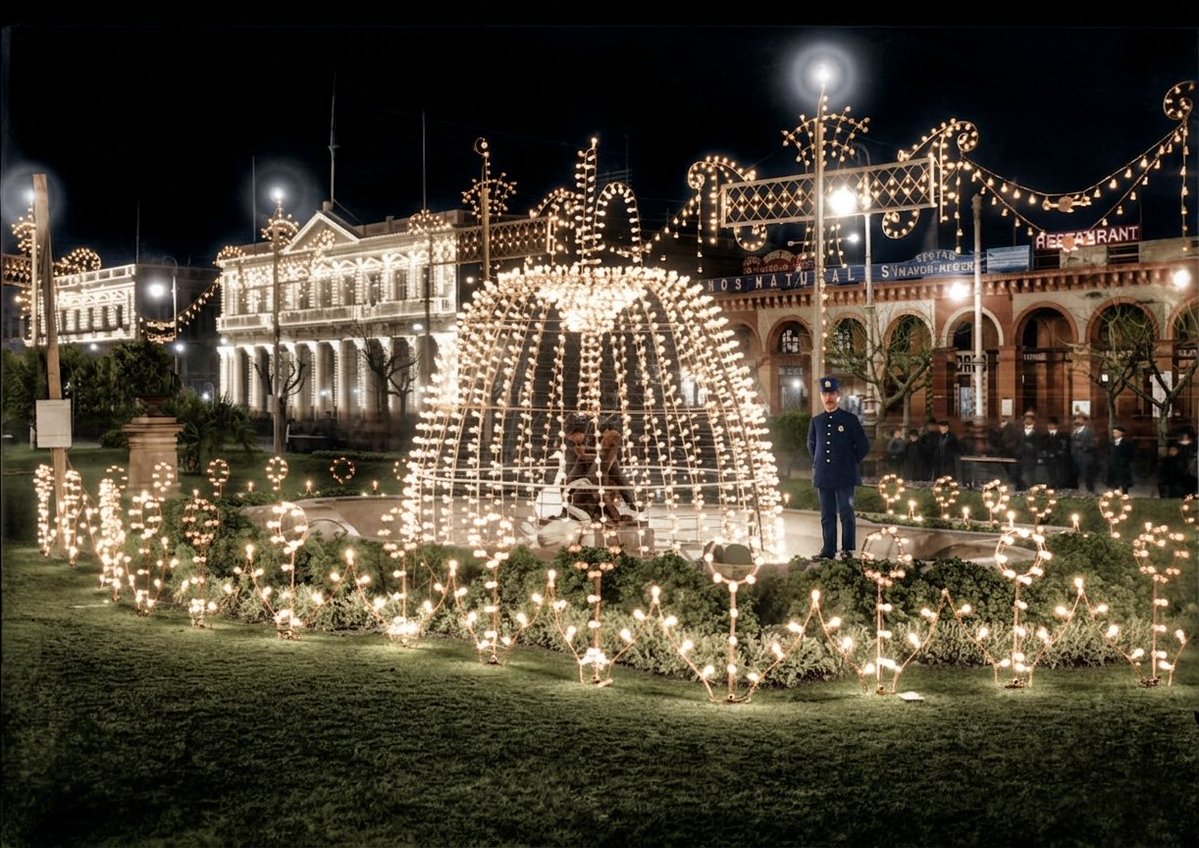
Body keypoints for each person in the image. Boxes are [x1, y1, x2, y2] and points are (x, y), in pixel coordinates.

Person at [807, 376, 871, 560]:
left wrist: (849, 462)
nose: (828, 398)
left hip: (845, 476)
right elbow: (812, 445)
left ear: (838, 395)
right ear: (821, 396)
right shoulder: (816, 421)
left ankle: (847, 549)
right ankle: (828, 550)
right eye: (825, 394)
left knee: (846, 512)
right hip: (824, 475)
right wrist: (821, 462)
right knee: (827, 514)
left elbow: (863, 446)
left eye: (832, 394)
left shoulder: (849, 420)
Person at [598, 419, 637, 522]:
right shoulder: (605, 439)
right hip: (605, 465)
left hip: (608, 465)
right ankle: (630, 503)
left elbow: (611, 456)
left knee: (620, 480)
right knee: (619, 481)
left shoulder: (612, 438)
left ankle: (631, 502)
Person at [563, 420, 602, 520]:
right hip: (577, 473)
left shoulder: (584, 442)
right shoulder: (574, 445)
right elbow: (582, 457)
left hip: (583, 473)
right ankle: (568, 512)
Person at [1070, 412, 1098, 492]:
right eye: (1076, 418)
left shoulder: (1089, 431)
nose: (1077, 420)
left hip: (1085, 458)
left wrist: (1082, 445)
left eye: (1079, 418)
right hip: (1075, 457)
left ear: (1084, 421)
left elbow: (1093, 444)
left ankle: (1090, 493)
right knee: (1076, 477)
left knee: (1087, 478)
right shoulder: (1074, 431)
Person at [1015, 410, 1043, 491]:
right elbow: (1016, 444)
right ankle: (1019, 490)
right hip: (1021, 458)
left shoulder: (1037, 433)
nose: (1027, 420)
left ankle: (1029, 490)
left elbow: (1039, 446)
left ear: (1033, 421)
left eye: (1030, 419)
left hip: (1031, 458)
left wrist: (1033, 449)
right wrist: (1017, 452)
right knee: (1019, 475)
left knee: (1029, 476)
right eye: (1026, 419)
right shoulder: (1019, 432)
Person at [1105, 423, 1135, 494]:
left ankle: (1124, 496)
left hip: (1123, 468)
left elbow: (1130, 455)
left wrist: (1124, 462)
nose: (1114, 433)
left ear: (1121, 433)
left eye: (1116, 432)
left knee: (1123, 484)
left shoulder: (1126, 443)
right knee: (1114, 484)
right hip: (1113, 467)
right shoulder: (1112, 443)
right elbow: (1109, 453)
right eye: (1114, 432)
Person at [1042, 416, 1070, 489]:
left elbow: (1065, 447)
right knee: (1050, 475)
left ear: (1056, 425)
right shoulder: (1044, 436)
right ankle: (1051, 487)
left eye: (1052, 424)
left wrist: (1056, 454)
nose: (1050, 426)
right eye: (1048, 424)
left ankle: (1060, 487)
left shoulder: (1063, 435)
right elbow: (1042, 448)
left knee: (1059, 474)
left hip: (1059, 459)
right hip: (1048, 459)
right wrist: (1046, 454)